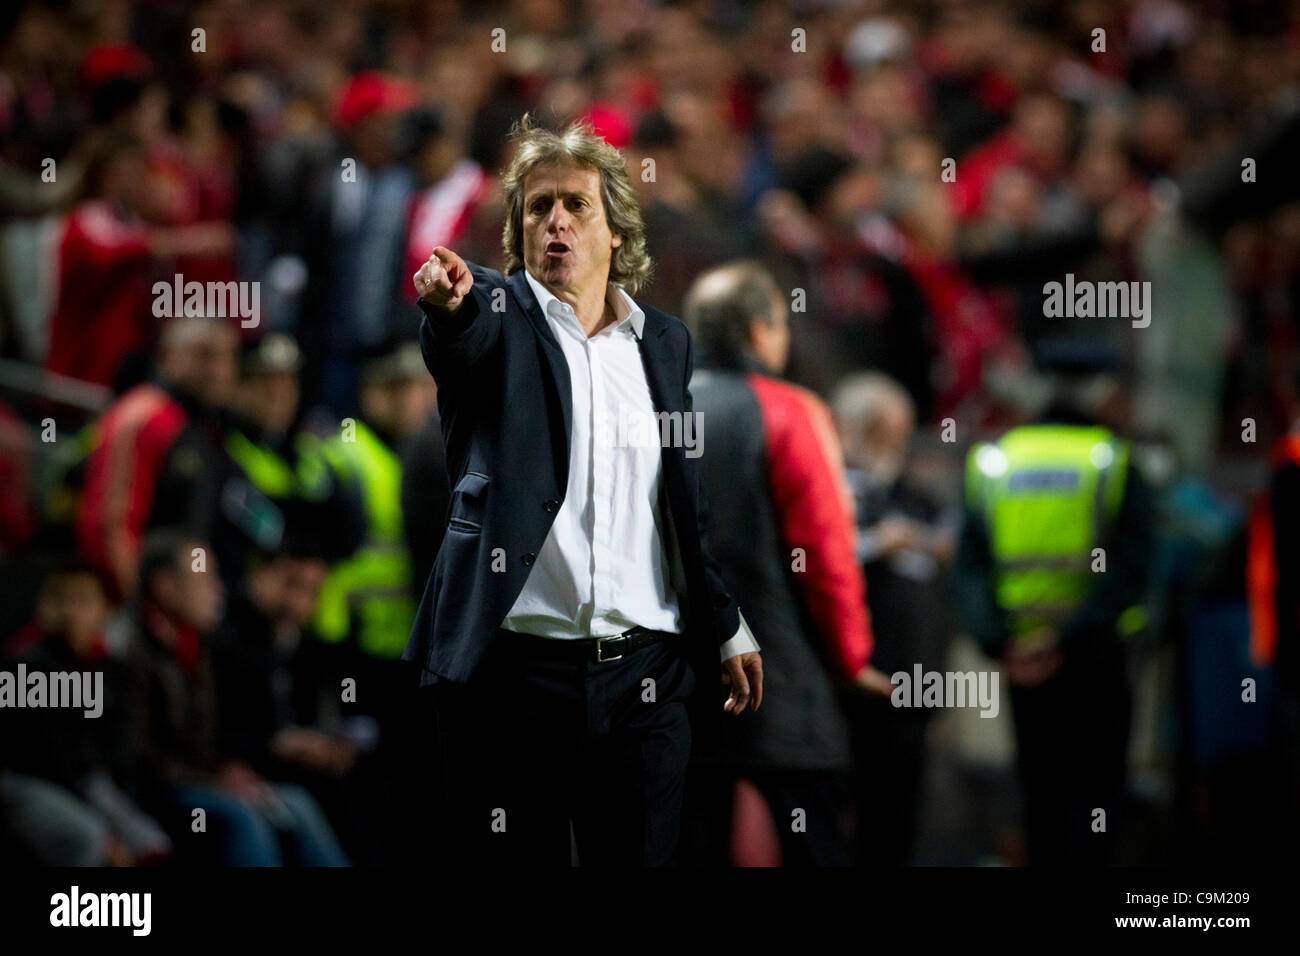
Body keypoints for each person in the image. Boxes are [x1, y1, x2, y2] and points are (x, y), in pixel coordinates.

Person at [405, 114, 763, 867]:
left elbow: (677, 504)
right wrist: (447, 305)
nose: (555, 221)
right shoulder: (497, 316)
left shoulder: (666, 343)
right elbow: (459, 334)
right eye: (537, 207)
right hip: (513, 684)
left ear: (617, 236)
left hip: (646, 680)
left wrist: (725, 622)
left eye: (575, 205)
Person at [677, 261, 891, 866]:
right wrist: (851, 659)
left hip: (679, 687)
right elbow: (824, 555)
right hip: (785, 684)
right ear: (760, 329)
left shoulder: (656, 411)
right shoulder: (790, 411)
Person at [953, 343, 1154, 865]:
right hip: (1096, 661)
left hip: (1023, 669)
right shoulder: (1113, 461)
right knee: (1096, 802)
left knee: (1042, 799)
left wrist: (1001, 642)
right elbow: (1133, 571)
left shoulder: (993, 462)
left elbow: (970, 568)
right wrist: (1065, 637)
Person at [124, 530, 349, 866]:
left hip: (200, 779)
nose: (219, 589)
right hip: (158, 794)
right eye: (205, 578)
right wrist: (216, 779)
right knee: (245, 818)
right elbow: (141, 760)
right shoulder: (132, 655)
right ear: (166, 587)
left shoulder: (195, 649)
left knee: (296, 802)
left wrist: (229, 770)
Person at [831, 372, 957, 865]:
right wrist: (879, 544)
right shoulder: (835, 489)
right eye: (881, 431)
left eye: (898, 433)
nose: (893, 445)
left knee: (899, 817)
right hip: (853, 685)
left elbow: (945, 550)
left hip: (913, 683)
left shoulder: (915, 495)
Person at [77, 315, 239, 599]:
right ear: (166, 356)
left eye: (227, 358)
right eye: (204, 355)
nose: (218, 370)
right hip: (134, 606)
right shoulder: (146, 416)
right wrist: (134, 608)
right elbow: (110, 526)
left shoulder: (205, 426)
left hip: (174, 611)